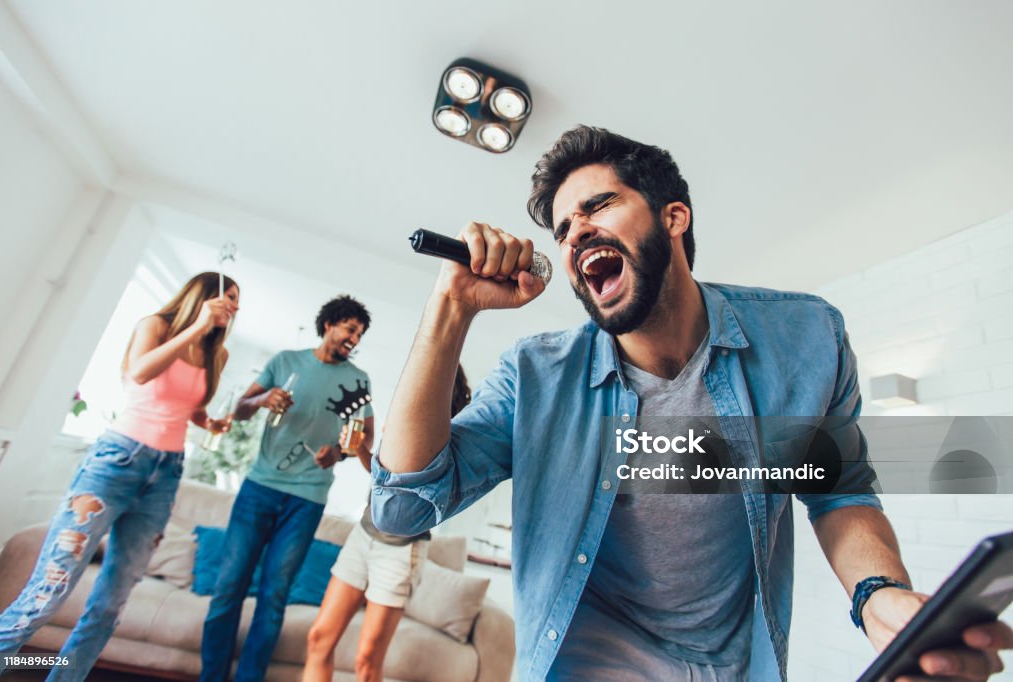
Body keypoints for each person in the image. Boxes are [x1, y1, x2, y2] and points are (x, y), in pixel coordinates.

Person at [369, 126, 1013, 681]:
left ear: (673, 216)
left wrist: (879, 598)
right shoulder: (535, 377)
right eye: (563, 229)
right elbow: (399, 508)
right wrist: (451, 308)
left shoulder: (807, 341)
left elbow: (837, 491)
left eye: (598, 206)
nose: (575, 234)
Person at [0, 272, 239, 682]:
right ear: (201, 296)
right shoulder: (155, 326)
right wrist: (195, 328)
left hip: (166, 473)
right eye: (228, 296)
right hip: (117, 461)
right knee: (47, 592)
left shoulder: (217, 352)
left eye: (236, 300)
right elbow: (140, 374)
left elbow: (188, 405)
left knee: (111, 605)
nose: (234, 306)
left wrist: (208, 421)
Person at [200, 295, 374, 682]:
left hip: (307, 499)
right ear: (329, 324)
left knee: (274, 597)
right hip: (259, 488)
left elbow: (363, 442)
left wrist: (339, 455)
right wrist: (264, 398)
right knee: (228, 588)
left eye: (359, 334)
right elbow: (241, 409)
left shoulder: (358, 381)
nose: (354, 338)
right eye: (350, 328)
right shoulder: (285, 362)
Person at [302, 366, 472, 682]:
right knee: (318, 639)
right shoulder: (403, 417)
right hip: (363, 536)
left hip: (401, 551)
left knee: (367, 661)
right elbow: (383, 477)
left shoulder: (452, 433)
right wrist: (362, 451)